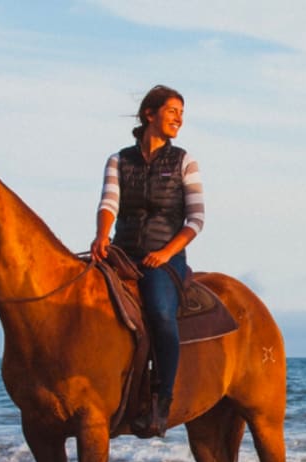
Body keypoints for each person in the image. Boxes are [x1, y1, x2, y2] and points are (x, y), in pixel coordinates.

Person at [90, 84, 205, 437]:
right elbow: (109, 203)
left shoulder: (185, 160)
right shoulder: (119, 160)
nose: (179, 120)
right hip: (123, 252)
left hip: (165, 257)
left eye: (181, 114)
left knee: (159, 312)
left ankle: (161, 401)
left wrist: (167, 253)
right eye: (172, 112)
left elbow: (196, 219)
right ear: (149, 114)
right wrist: (101, 236)